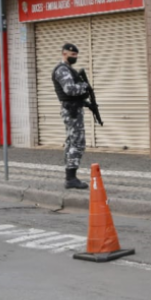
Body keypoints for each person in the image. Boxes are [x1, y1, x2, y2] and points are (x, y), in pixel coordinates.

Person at [52, 43, 90, 190]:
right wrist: (85, 86)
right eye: (72, 55)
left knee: (71, 142)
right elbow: (70, 90)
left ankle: (70, 176)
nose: (74, 57)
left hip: (73, 109)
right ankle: (71, 178)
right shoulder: (62, 70)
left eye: (76, 55)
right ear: (64, 53)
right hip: (71, 111)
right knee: (78, 143)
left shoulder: (68, 69)